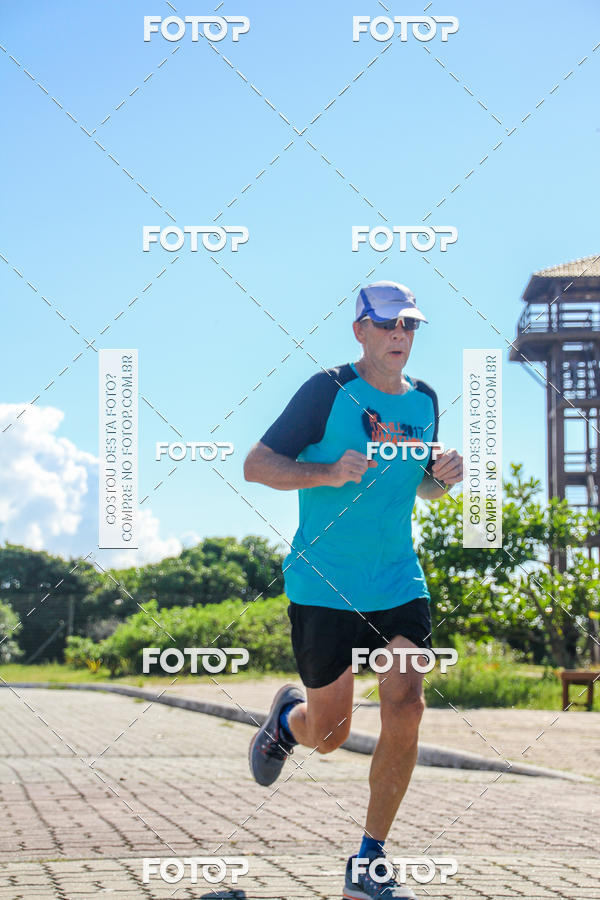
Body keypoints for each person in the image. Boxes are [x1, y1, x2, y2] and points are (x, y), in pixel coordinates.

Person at [244, 281, 463, 899]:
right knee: (331, 735)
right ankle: (288, 723)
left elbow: (420, 487)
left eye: (409, 325)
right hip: (324, 582)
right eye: (388, 324)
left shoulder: (424, 401)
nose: (400, 335)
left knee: (407, 702)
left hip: (397, 579)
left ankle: (370, 862)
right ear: (360, 330)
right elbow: (256, 465)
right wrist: (326, 470)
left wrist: (443, 478)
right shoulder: (326, 390)